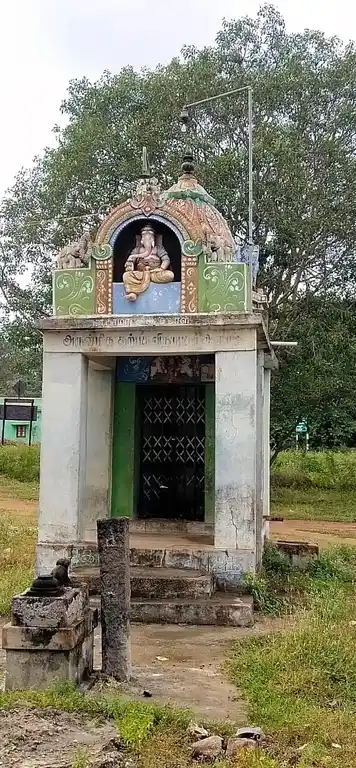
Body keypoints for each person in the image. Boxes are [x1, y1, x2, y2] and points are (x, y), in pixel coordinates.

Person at [123, 225, 174, 301]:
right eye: (144, 237)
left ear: (153, 239)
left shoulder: (158, 249)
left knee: (170, 275)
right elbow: (130, 261)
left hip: (154, 273)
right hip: (140, 274)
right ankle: (132, 293)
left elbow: (166, 260)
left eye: (150, 238)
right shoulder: (137, 250)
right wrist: (129, 264)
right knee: (126, 275)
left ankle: (140, 286)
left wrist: (161, 268)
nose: (147, 240)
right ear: (141, 239)